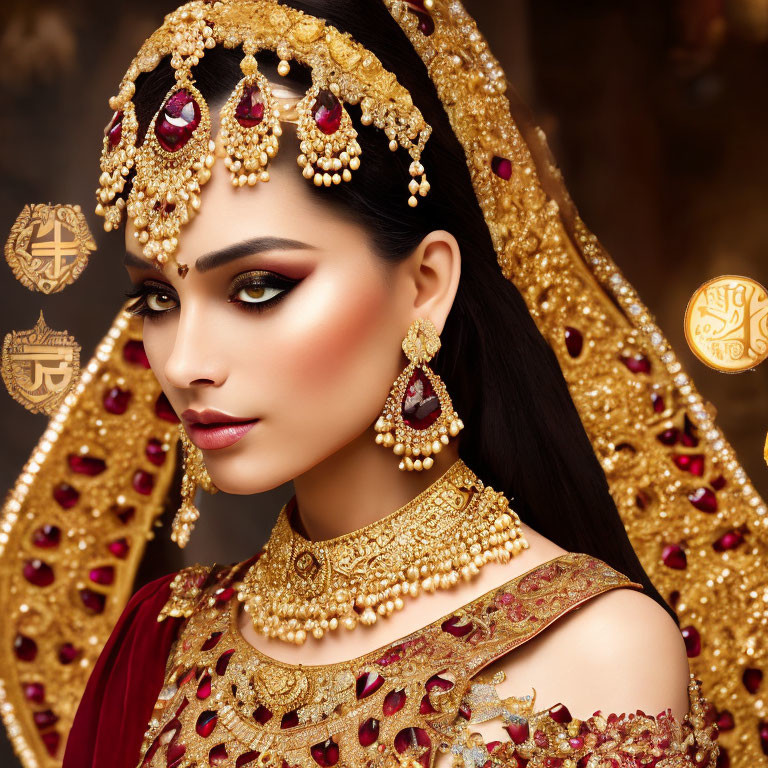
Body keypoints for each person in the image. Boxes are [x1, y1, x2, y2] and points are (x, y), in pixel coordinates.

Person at [41, 0, 719, 765]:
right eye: (157, 298)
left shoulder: (581, 659)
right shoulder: (161, 643)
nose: (186, 360)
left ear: (425, 284)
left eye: (259, 286)